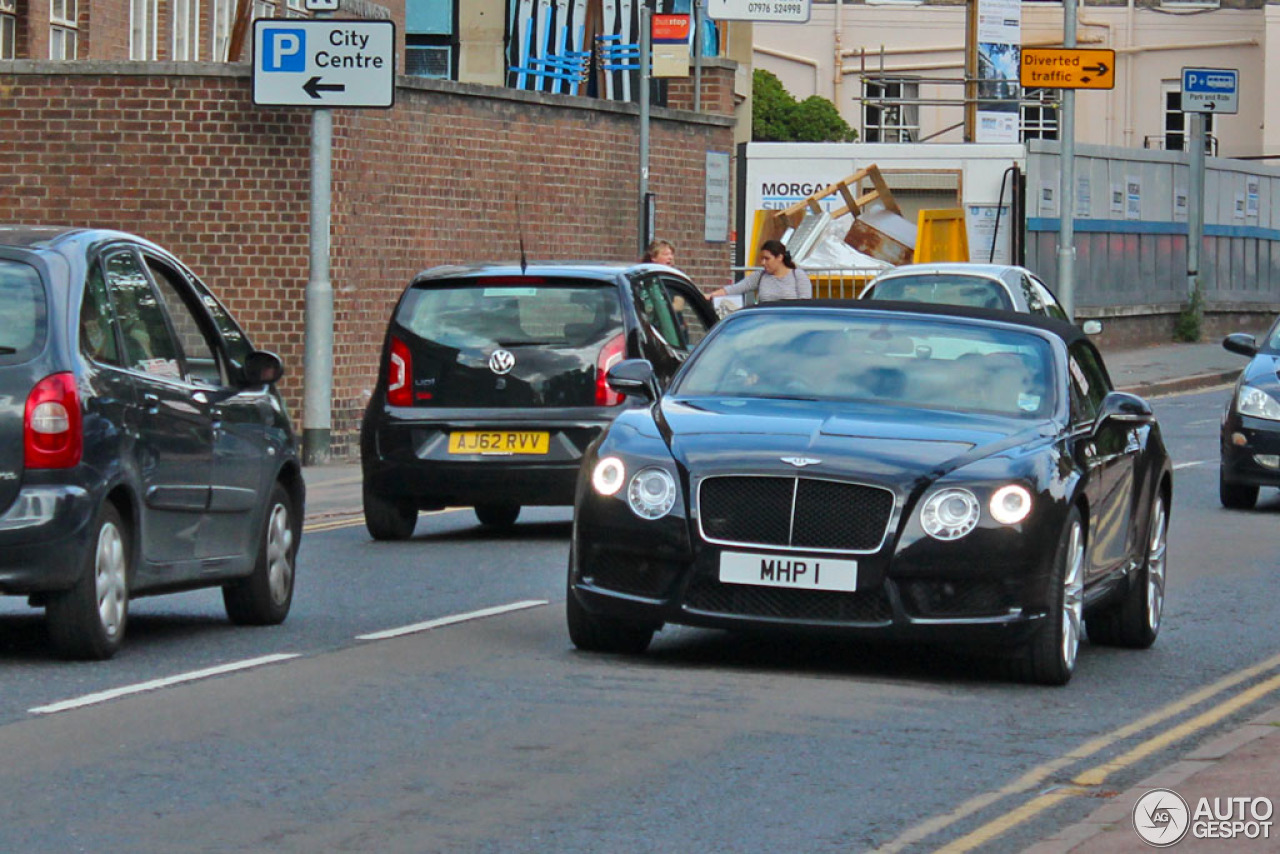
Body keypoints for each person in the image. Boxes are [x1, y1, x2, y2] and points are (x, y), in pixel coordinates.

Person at [708, 239, 812, 303]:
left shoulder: (797, 275)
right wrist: (710, 295)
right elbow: (735, 288)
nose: (763, 263)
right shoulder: (760, 276)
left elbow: (805, 304)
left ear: (779, 257)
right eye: (761, 259)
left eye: (767, 259)